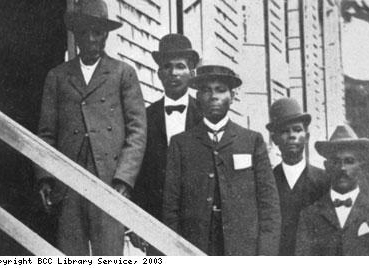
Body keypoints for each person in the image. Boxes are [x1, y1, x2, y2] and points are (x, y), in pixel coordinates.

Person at [34, 0, 146, 255]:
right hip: (68, 179)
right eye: (85, 32)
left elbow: (137, 131)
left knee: (109, 253)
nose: (92, 39)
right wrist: (46, 177)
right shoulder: (58, 76)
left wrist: (124, 179)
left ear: (106, 35)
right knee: (71, 253)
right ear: (76, 35)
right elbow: (46, 133)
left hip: (108, 180)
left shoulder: (122, 73)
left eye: (98, 32)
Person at [162, 65, 281, 255]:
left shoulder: (251, 141)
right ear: (198, 97)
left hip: (242, 248)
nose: (214, 96)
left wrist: (265, 256)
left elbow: (269, 206)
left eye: (221, 90)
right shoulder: (181, 144)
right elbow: (171, 208)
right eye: (207, 90)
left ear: (232, 97)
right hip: (195, 246)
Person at [132, 34, 201, 254]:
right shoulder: (145, 117)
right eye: (167, 67)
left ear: (192, 72)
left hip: (199, 222)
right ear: (159, 73)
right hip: (157, 223)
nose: (173, 73)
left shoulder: (206, 117)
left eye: (180, 66)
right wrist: (136, 223)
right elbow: (137, 173)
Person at [295, 124, 369, 255]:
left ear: (360, 166)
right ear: (326, 166)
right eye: (336, 162)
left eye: (349, 161)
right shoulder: (309, 216)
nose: (342, 168)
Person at [266, 98, 329, 255]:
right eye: (284, 131)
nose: (292, 136)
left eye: (297, 129)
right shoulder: (268, 182)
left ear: (307, 137)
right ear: (275, 140)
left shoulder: (324, 180)